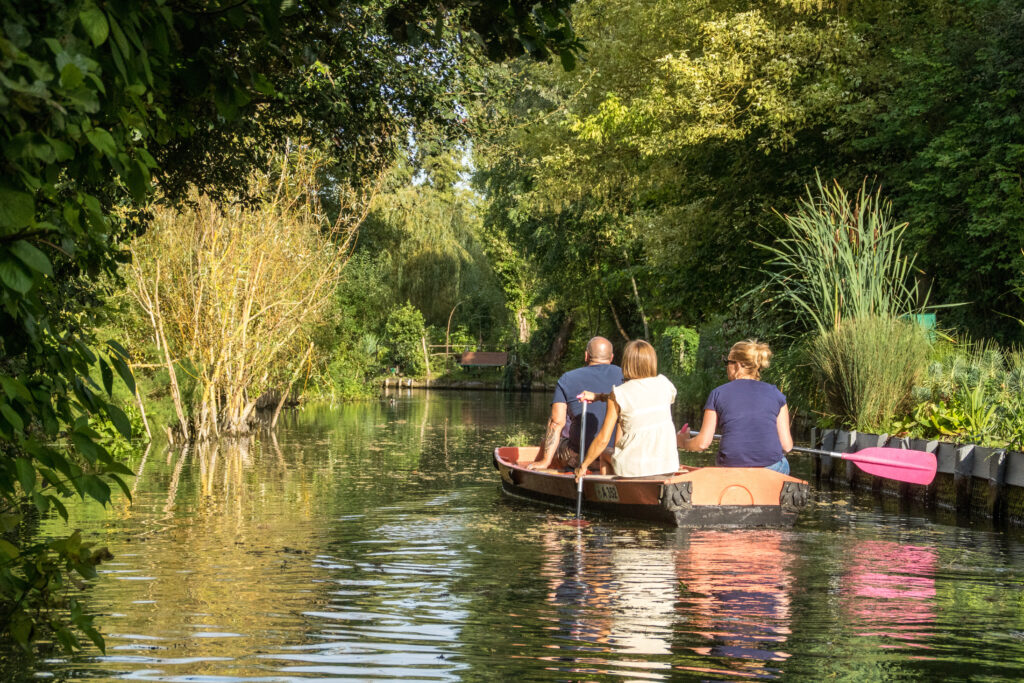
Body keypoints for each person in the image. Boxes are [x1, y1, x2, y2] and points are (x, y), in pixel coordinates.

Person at [677, 339, 794, 474]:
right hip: (772, 469)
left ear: (738, 365)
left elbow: (702, 443)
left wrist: (683, 442)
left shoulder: (718, 394)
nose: (726, 366)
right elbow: (787, 446)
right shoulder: (777, 394)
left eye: (728, 362)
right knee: (782, 462)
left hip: (731, 468)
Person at [575, 340, 679, 480]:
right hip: (668, 466)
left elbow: (603, 439)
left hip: (633, 470)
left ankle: (610, 498)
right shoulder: (665, 384)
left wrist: (583, 465)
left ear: (626, 363)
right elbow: (641, 398)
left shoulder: (618, 394)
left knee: (605, 454)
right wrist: (599, 396)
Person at [526, 336, 624, 471]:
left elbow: (556, 422)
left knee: (545, 442)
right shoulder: (626, 377)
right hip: (614, 455)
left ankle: (547, 466)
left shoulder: (567, 379)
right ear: (611, 357)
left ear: (586, 356)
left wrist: (545, 460)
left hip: (580, 455)